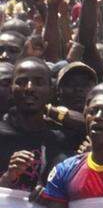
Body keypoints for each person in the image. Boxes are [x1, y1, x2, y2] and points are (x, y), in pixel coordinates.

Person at [0, 58, 69, 190]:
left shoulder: (59, 139)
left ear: (51, 90)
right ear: (11, 88)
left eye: (38, 82)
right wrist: (8, 177)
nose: (29, 88)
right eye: (21, 82)